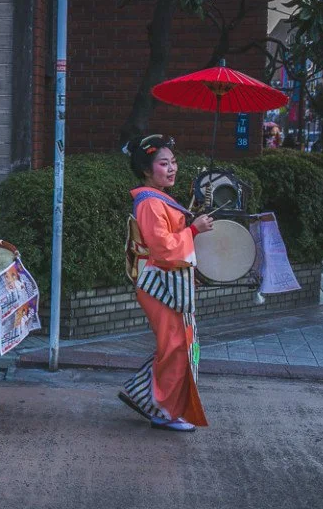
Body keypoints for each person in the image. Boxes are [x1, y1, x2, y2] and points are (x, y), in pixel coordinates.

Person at [118, 134, 214, 432]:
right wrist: (193, 230)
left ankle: (149, 398)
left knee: (177, 345)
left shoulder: (157, 198)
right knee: (174, 346)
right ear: (148, 170)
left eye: (173, 162)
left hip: (166, 282)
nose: (172, 168)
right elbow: (162, 248)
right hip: (161, 282)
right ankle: (163, 410)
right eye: (164, 163)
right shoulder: (149, 202)